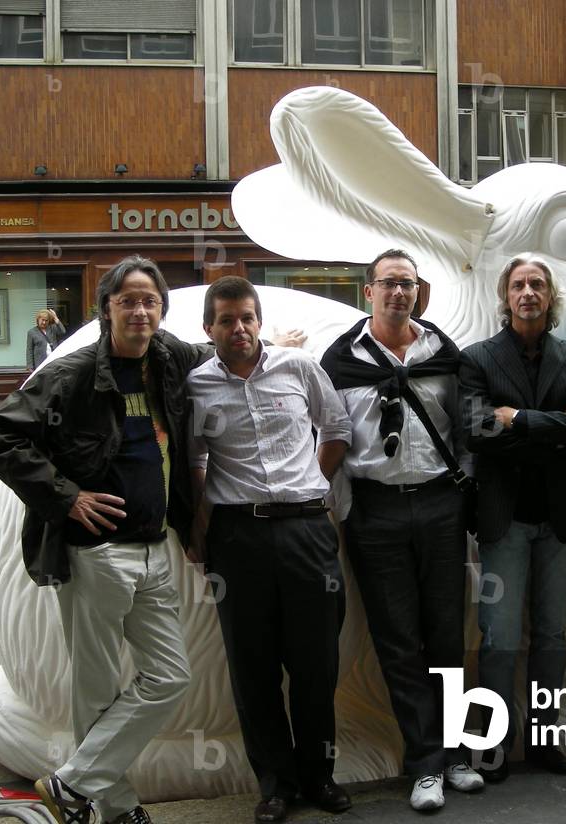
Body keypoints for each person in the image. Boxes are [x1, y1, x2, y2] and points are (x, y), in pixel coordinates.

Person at [0, 255, 212, 824]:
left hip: (155, 549)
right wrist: (67, 496)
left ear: (162, 309)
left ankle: (71, 785)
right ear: (106, 308)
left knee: (170, 676)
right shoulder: (72, 373)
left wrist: (278, 345)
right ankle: (115, 805)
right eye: (127, 300)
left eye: (149, 300)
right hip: (97, 553)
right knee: (97, 687)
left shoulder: (169, 359)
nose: (139, 311)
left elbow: (219, 353)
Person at [320, 249, 482, 812]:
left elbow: (466, 427)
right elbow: (331, 437)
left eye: (407, 284)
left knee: (447, 635)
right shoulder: (341, 360)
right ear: (368, 291)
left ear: (418, 291)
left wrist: (463, 491)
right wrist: (348, 512)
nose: (398, 292)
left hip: (440, 506)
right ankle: (425, 764)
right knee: (397, 641)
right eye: (388, 283)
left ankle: (457, 754)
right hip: (376, 511)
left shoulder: (443, 353)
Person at [187, 276, 352, 824]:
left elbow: (336, 427)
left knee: (316, 665)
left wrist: (311, 482)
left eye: (247, 318)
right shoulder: (196, 387)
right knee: (252, 669)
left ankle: (319, 777)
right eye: (226, 320)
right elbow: (194, 461)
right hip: (239, 539)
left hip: (307, 532)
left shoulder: (299, 367)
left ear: (259, 321)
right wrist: (200, 528)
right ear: (208, 327)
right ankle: (276, 785)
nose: (239, 329)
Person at [459, 255, 566, 782]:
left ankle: (544, 741)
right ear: (506, 296)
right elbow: (476, 431)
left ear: (550, 296)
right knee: (499, 637)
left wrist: (518, 419)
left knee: (551, 636)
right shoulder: (477, 358)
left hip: (561, 520)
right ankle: (496, 744)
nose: (528, 292)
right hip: (504, 520)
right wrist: (559, 427)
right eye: (519, 284)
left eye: (537, 284)